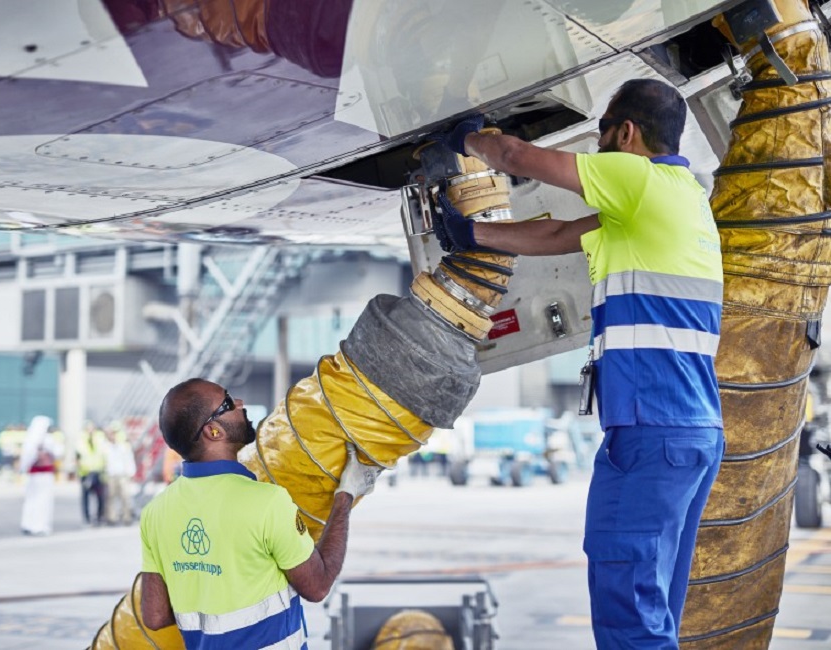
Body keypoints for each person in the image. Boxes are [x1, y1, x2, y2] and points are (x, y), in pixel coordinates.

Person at [431, 78, 724, 648]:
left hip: (652, 432)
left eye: (601, 134)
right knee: (654, 603)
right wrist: (473, 234)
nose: (596, 147)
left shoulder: (637, 176)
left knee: (628, 607)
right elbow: (560, 233)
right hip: (689, 436)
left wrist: (467, 139)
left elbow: (518, 157)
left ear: (627, 133)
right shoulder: (677, 200)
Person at [139, 378, 382, 648]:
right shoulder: (267, 502)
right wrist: (345, 496)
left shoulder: (155, 513)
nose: (240, 403)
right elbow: (317, 586)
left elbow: (155, 615)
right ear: (213, 432)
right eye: (228, 403)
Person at [19, 416, 59, 536]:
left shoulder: (30, 440)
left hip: (33, 474)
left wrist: (23, 470)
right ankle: (39, 526)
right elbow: (57, 454)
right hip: (44, 474)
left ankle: (28, 523)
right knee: (43, 500)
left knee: (31, 499)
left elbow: (25, 460)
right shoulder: (48, 440)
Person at [104, 426, 137, 526]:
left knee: (125, 496)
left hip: (123, 474)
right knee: (111, 497)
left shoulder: (123, 446)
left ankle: (126, 517)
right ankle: (111, 517)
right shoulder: (105, 446)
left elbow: (129, 459)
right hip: (111, 475)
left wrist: (131, 472)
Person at [77, 422, 107, 526]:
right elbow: (78, 456)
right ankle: (87, 518)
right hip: (85, 473)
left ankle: (99, 516)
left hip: (98, 472)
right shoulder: (81, 440)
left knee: (101, 497)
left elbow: (104, 453)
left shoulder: (100, 438)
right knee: (86, 497)